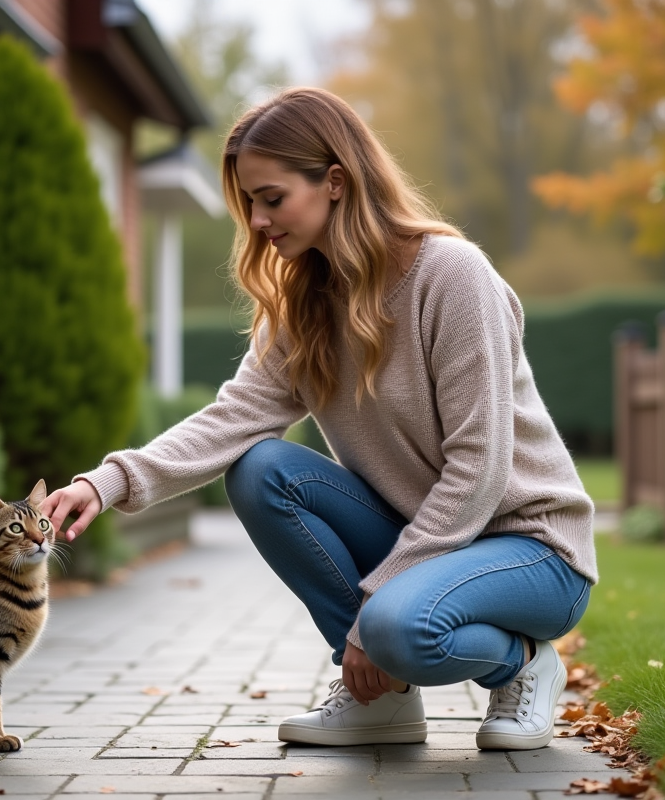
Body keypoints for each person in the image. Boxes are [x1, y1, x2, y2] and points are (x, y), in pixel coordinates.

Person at [42, 86, 596, 751]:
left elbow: (479, 471)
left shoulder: (452, 276)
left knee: (391, 625)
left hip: (532, 550)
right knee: (261, 469)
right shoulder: (305, 304)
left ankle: (524, 665)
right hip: (430, 540)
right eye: (248, 203)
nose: (258, 221)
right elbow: (234, 418)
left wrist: (377, 602)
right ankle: (381, 698)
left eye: (272, 198)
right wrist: (105, 483)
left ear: (335, 181)